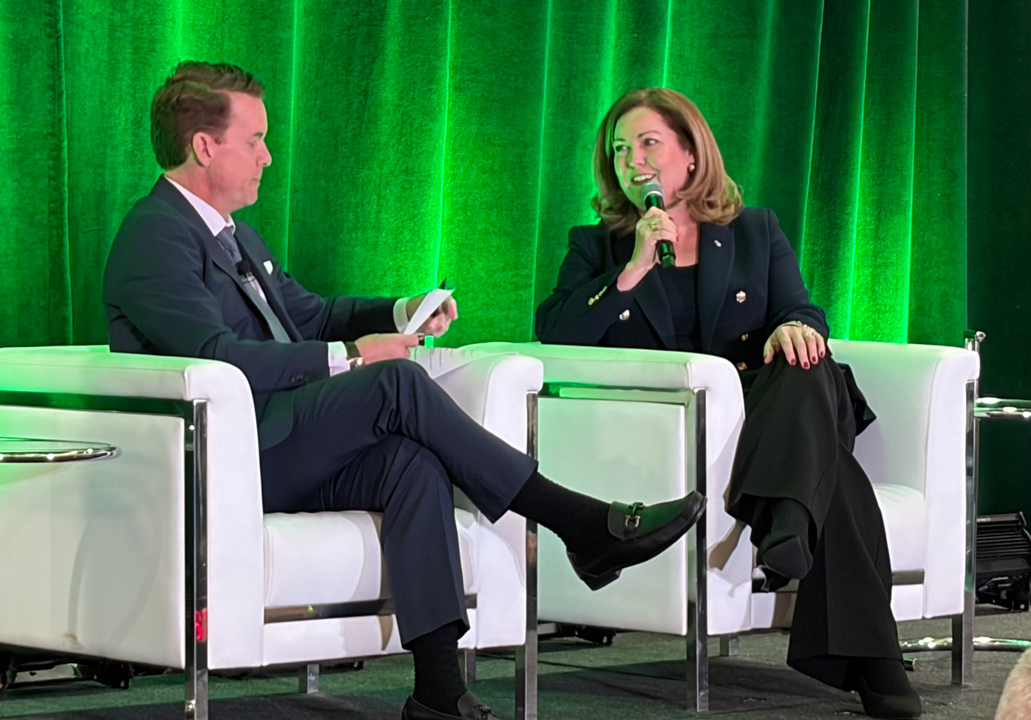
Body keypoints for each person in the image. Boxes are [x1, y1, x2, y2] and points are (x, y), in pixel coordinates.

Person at [104, 62, 705, 720]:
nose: (267, 157)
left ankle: (438, 693)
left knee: (410, 464)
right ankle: (578, 521)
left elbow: (310, 315)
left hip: (279, 442)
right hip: (228, 457)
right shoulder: (156, 233)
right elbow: (216, 358)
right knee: (395, 381)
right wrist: (354, 356)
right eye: (254, 141)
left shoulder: (232, 233)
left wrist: (401, 311)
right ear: (204, 146)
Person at [535, 87, 921, 720]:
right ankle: (799, 535)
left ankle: (789, 518)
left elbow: (802, 309)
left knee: (806, 357)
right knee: (835, 474)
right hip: (689, 429)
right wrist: (630, 271)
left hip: (773, 408)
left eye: (649, 143)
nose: (634, 161)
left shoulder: (753, 230)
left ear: (691, 153)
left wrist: (792, 328)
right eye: (620, 150)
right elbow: (554, 334)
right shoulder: (595, 247)